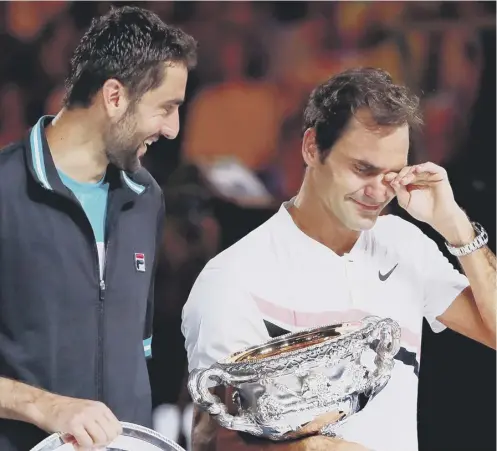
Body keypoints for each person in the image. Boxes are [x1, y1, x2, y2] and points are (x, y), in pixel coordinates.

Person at [181, 67, 496, 451]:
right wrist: (314, 448)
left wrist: (456, 227)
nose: (379, 191)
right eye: (363, 169)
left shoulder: (405, 244)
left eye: (393, 173)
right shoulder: (233, 276)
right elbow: (219, 439)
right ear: (311, 147)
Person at [0, 6, 197, 451]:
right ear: (114, 97)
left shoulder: (147, 198)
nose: (173, 129)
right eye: (166, 108)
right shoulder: (5, 192)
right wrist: (46, 407)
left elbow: (136, 354)